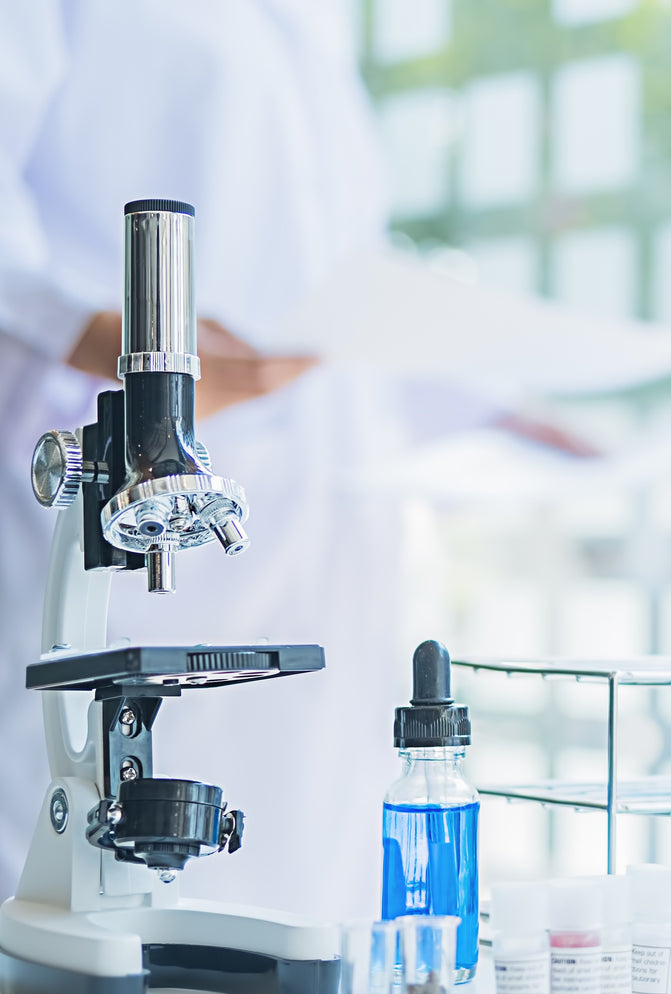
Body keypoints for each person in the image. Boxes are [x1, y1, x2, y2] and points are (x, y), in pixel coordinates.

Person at [0, 0, 417, 920]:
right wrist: (79, 326)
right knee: (81, 881)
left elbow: (329, 296)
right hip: (98, 479)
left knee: (309, 895)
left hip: (320, 514)